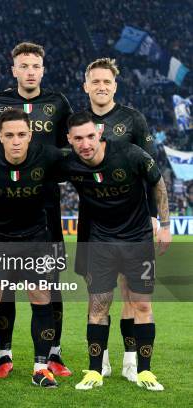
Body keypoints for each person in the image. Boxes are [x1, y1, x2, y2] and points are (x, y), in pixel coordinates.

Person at [60, 111, 170, 392]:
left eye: (89, 136)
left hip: (138, 241)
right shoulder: (69, 163)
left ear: (99, 133)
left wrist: (165, 225)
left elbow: (158, 182)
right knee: (98, 306)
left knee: (143, 305)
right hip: (101, 242)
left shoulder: (130, 154)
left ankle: (145, 372)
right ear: (69, 140)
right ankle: (95, 371)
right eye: (78, 139)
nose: (85, 144)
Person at [0, 42, 73, 377]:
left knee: (51, 283)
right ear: (14, 70)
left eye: (35, 65)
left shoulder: (58, 103)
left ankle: (54, 354)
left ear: (43, 69)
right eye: (24, 65)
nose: (30, 71)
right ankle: (4, 355)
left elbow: (70, 149)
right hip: (4, 207)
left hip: (47, 206)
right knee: (3, 283)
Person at [0, 109, 63, 388]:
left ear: (30, 135)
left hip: (35, 239)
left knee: (41, 299)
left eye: (22, 134)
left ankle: (41, 368)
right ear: (0, 136)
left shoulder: (49, 156)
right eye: (9, 135)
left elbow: (84, 164)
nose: (16, 141)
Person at [82, 57, 158, 380]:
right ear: (86, 86)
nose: (101, 86)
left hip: (131, 224)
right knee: (96, 295)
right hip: (92, 221)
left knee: (131, 292)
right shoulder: (76, 121)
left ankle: (131, 358)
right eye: (95, 81)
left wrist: (155, 216)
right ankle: (103, 359)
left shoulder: (133, 120)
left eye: (107, 82)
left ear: (115, 85)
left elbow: (150, 172)